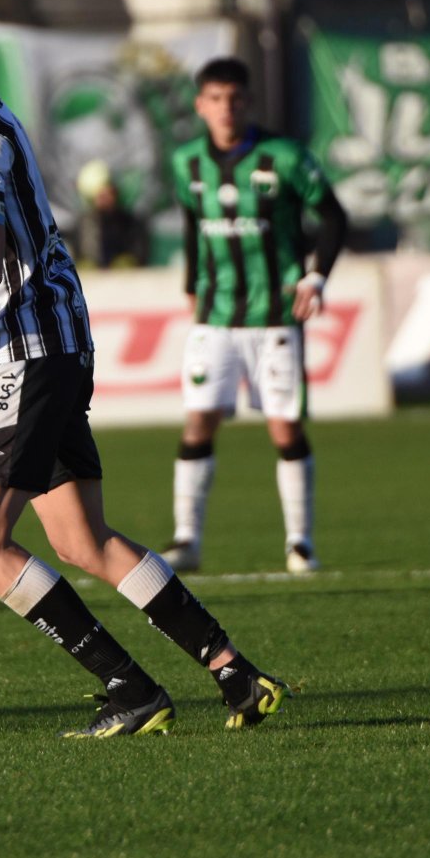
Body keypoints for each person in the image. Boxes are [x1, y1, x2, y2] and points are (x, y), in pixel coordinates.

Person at [0, 0, 288, 738]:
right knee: (82, 539)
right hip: (49, 346)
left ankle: (130, 687)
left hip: (27, 352)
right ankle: (231, 669)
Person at [161, 57, 349, 576]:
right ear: (200, 105)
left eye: (235, 99)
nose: (226, 108)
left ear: (249, 103)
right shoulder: (187, 163)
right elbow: (192, 225)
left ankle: (300, 542)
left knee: (284, 430)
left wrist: (316, 277)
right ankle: (187, 540)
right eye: (215, 99)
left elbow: (334, 215)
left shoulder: (284, 156)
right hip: (216, 318)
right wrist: (189, 285)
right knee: (198, 421)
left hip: (274, 319)